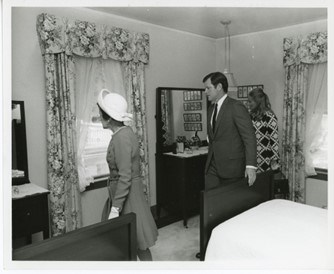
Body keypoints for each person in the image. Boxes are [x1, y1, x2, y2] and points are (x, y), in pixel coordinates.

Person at [97, 89, 158, 261]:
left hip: (127, 196)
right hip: (123, 194)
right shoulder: (123, 133)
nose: (99, 117)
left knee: (137, 241)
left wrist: (116, 209)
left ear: (109, 117)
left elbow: (125, 177)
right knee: (132, 242)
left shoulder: (121, 138)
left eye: (101, 114)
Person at [203, 72, 257, 190]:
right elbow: (215, 136)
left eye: (208, 88)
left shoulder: (236, 106)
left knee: (229, 205)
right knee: (211, 203)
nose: (205, 91)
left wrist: (251, 166)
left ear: (219, 87)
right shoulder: (211, 108)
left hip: (232, 168)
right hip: (212, 167)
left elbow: (249, 137)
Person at [248, 88, 280, 172]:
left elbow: (274, 140)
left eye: (250, 101)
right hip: (251, 158)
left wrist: (274, 160)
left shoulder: (270, 116)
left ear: (258, 102)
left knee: (262, 183)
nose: (248, 104)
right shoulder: (250, 116)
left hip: (265, 159)